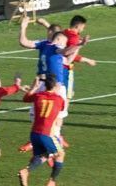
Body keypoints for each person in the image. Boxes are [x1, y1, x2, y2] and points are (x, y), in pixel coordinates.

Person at [18, 15, 80, 149]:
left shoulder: (51, 47)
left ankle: (53, 140)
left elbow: (67, 56)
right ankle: (46, 141)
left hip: (51, 84)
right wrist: (78, 45)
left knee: (52, 116)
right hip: (46, 85)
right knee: (39, 114)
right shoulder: (49, 45)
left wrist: (23, 27)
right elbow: (65, 53)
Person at [17, 74, 66, 186]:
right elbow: (61, 108)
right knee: (60, 154)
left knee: (44, 155)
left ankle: (26, 171)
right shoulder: (59, 99)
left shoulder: (38, 95)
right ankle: (51, 183)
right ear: (55, 86)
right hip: (47, 134)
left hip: (34, 133)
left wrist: (34, 86)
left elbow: (25, 98)